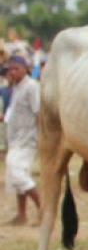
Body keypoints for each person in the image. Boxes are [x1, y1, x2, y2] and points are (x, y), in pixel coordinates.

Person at [4, 55, 40, 224]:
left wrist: (41, 136)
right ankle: (22, 214)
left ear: (26, 68)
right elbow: (15, 112)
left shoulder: (31, 87)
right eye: (10, 69)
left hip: (28, 138)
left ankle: (44, 208)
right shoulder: (16, 87)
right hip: (15, 138)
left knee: (17, 172)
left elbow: (38, 112)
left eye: (16, 68)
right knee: (18, 175)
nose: (12, 72)